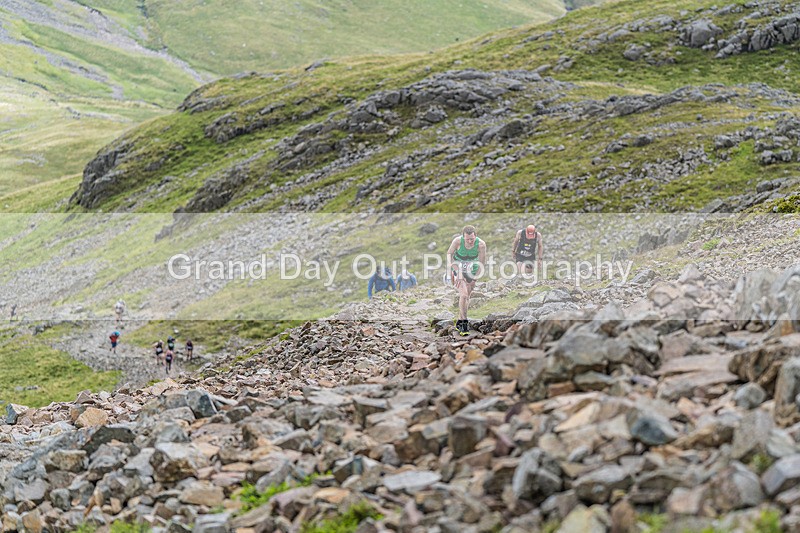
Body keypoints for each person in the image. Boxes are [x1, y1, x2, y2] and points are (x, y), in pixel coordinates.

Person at [447, 225, 486, 336]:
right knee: (463, 295)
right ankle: (464, 322)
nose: (469, 241)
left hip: (472, 270)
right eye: (467, 239)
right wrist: (456, 271)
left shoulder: (481, 245)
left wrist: (475, 278)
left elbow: (482, 263)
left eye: (472, 239)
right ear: (463, 237)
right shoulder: (457, 241)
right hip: (457, 268)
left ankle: (459, 319)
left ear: (476, 236)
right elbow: (449, 254)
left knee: (467, 296)